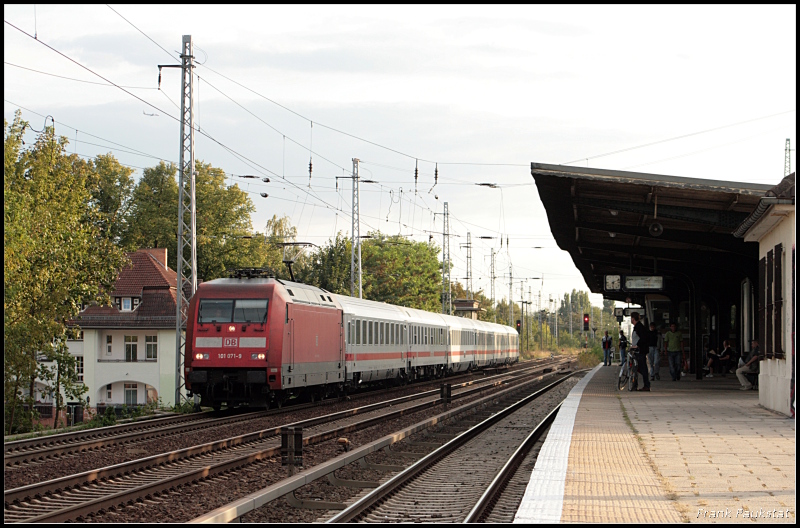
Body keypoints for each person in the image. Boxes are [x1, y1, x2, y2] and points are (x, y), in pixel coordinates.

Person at [630, 312, 650, 391]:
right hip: (637, 351)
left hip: (640, 351)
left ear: (633, 319)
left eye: (631, 318)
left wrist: (637, 345)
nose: (631, 320)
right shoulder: (637, 327)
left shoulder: (639, 328)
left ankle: (646, 385)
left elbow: (643, 338)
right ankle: (635, 385)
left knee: (642, 368)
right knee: (635, 368)